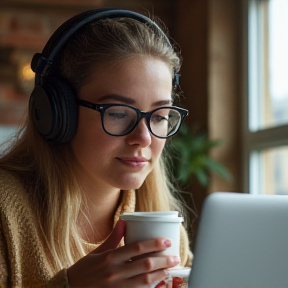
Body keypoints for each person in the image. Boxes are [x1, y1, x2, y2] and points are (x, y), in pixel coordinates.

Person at [0, 8, 192, 288]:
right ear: (59, 114)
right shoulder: (5, 211)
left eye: (160, 116)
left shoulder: (162, 223)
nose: (144, 138)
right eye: (117, 113)